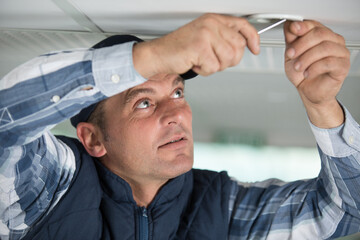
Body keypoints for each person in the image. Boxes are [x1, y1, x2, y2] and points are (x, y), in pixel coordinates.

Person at [0, 13, 359, 240]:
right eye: (143, 102)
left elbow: (348, 209)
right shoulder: (53, 190)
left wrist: (321, 105)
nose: (176, 113)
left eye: (176, 91)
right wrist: (155, 55)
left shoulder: (222, 207)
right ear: (93, 139)